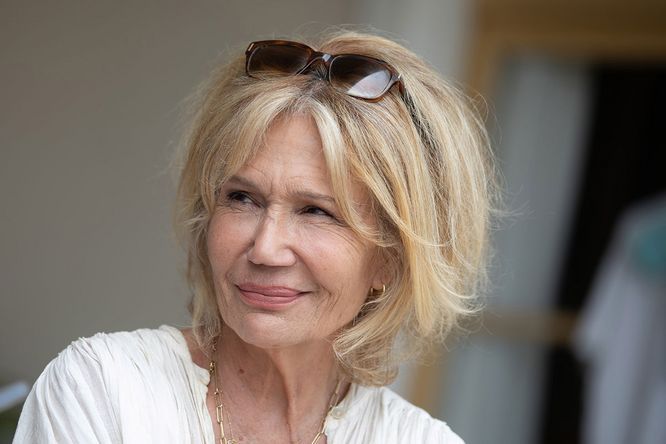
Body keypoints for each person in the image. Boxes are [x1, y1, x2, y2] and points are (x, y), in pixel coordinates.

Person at [14, 29, 495, 443]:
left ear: (391, 258)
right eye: (243, 198)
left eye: (316, 211)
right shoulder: (101, 389)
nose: (265, 249)